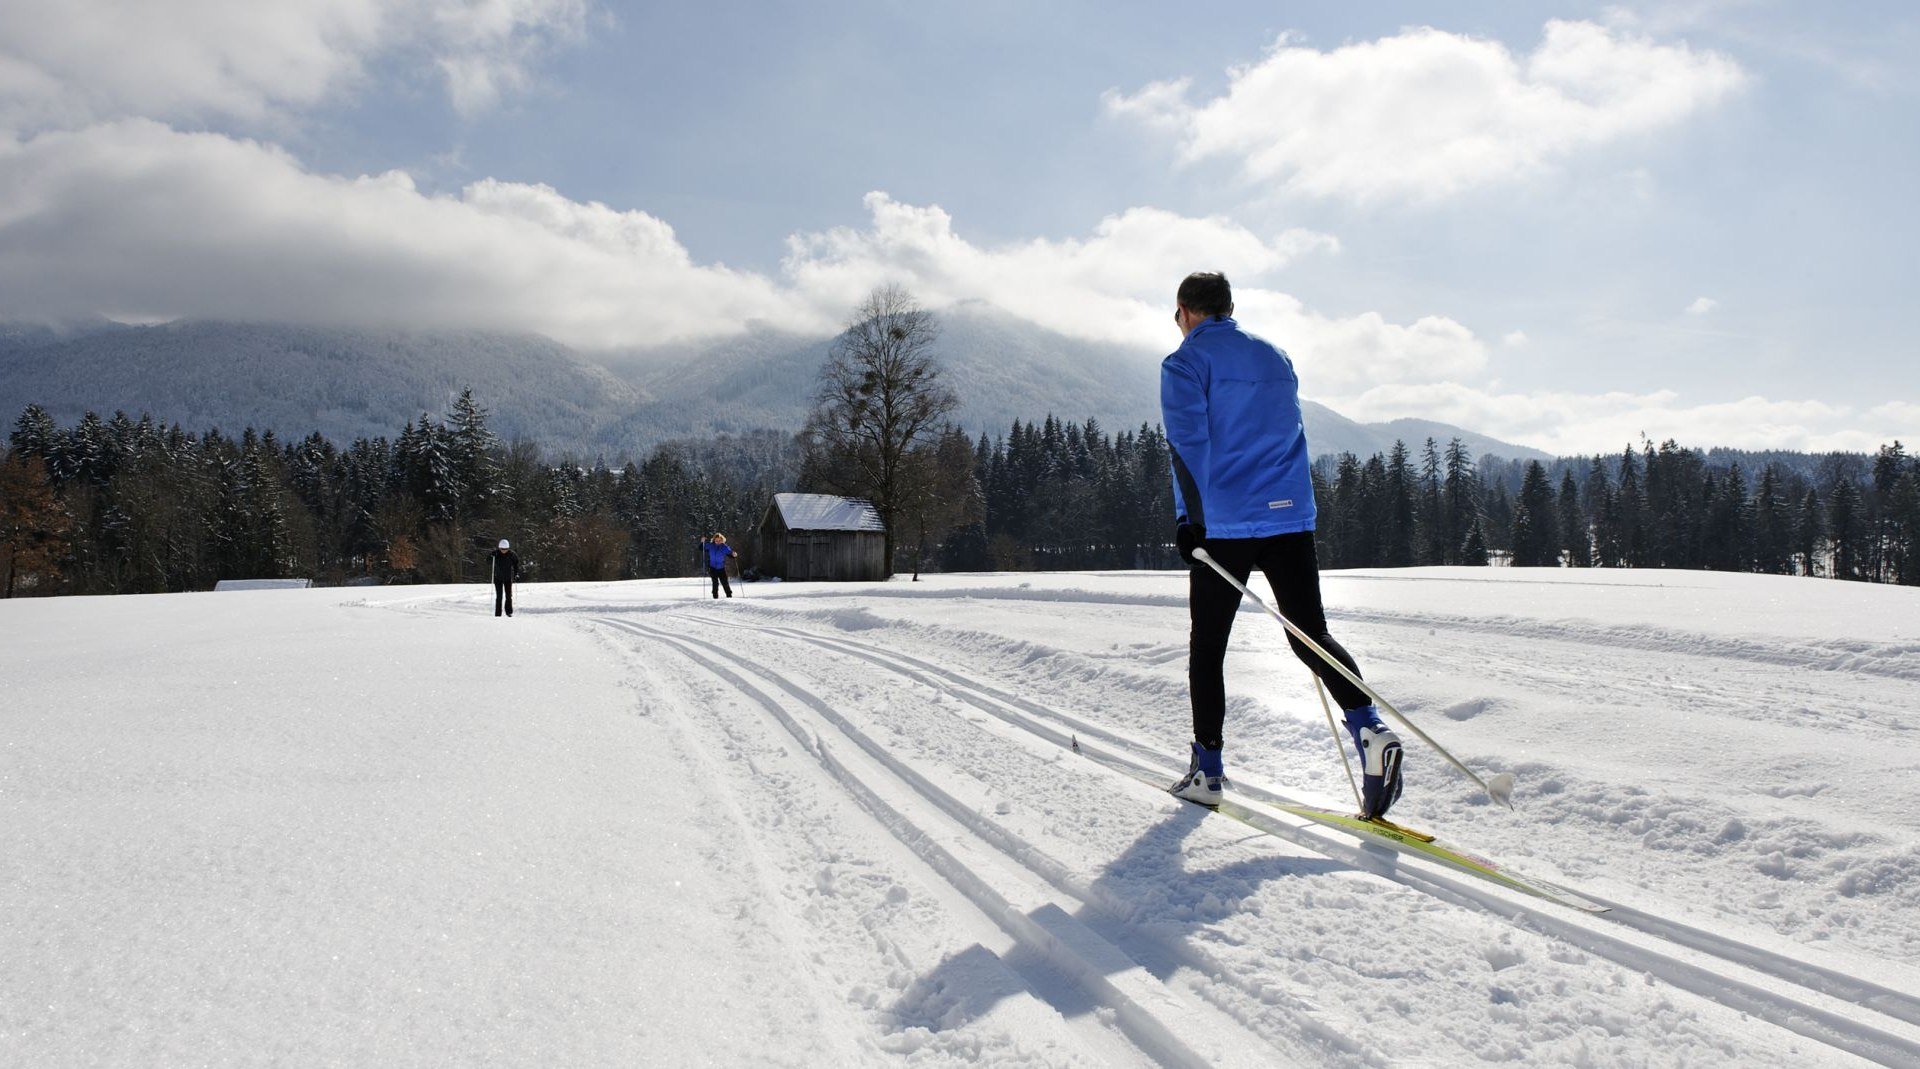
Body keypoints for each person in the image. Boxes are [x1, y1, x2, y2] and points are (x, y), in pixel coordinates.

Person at [1160, 271, 1403, 818]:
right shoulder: (1276, 357)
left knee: (1209, 648)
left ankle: (1208, 769)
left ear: (1185, 311)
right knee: (1310, 633)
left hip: (1225, 526)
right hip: (1291, 517)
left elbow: (1188, 447)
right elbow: (1287, 432)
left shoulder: (1184, 364)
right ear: (1228, 307)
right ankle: (1368, 727)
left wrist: (1188, 520)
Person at [489, 538, 520, 617]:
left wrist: (516, 574)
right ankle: (498, 614)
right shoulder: (496, 554)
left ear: (508, 548)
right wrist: (491, 556)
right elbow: (488, 561)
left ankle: (509, 612)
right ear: (499, 548)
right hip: (498, 578)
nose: (504, 551)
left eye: (505, 549)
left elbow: (516, 565)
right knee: (499, 597)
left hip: (508, 578)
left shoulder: (512, 555)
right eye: (502, 549)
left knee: (508, 596)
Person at [703, 533, 737, 599]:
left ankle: (729, 595)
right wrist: (702, 542)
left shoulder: (724, 547)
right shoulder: (710, 546)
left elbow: (730, 554)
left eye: (719, 540)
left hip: (721, 568)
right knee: (715, 583)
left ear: (722, 540)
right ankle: (715, 596)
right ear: (714, 540)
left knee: (725, 582)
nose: (718, 542)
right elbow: (702, 548)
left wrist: (734, 554)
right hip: (712, 568)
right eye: (716, 541)